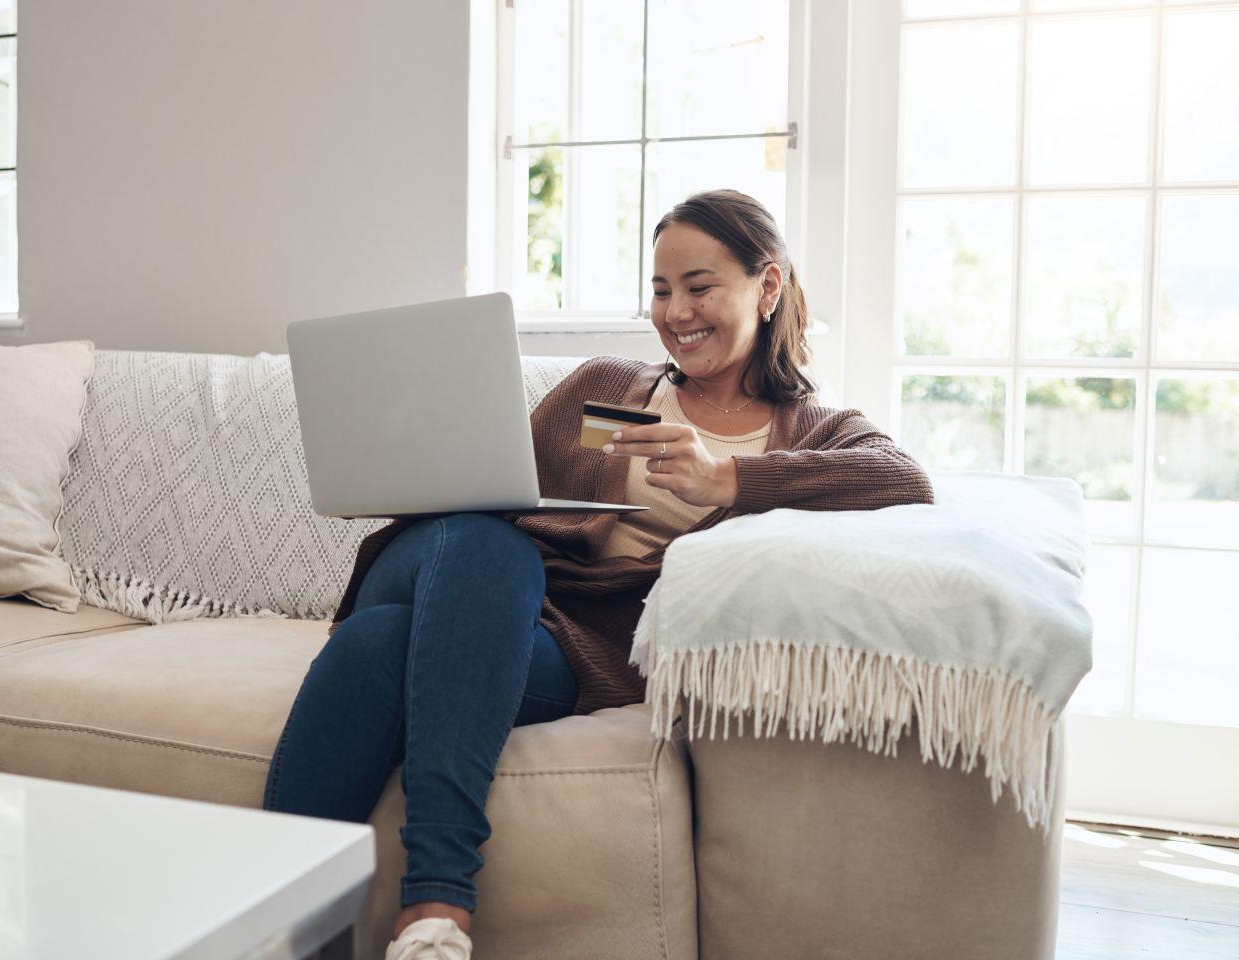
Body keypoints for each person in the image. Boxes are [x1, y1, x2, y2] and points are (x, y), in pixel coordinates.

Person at [264, 188, 936, 960]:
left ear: (769, 285)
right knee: (490, 544)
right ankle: (437, 902)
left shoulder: (811, 428)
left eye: (699, 286)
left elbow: (901, 478)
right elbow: (487, 479)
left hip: (569, 646)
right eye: (660, 289)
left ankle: (286, 932)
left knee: (379, 647)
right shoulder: (613, 392)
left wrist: (729, 482)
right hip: (460, 570)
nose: (676, 311)